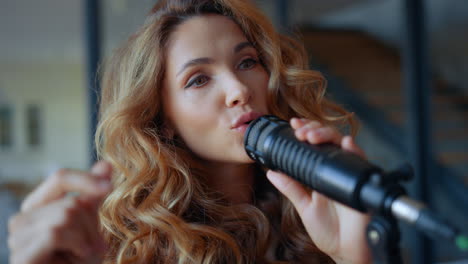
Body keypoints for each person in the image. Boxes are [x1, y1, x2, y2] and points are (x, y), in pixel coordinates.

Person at [8, 0, 372, 263]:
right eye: (198, 79)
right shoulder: (123, 248)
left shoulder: (317, 219)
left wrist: (351, 255)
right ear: (163, 119)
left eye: (247, 62)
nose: (239, 90)